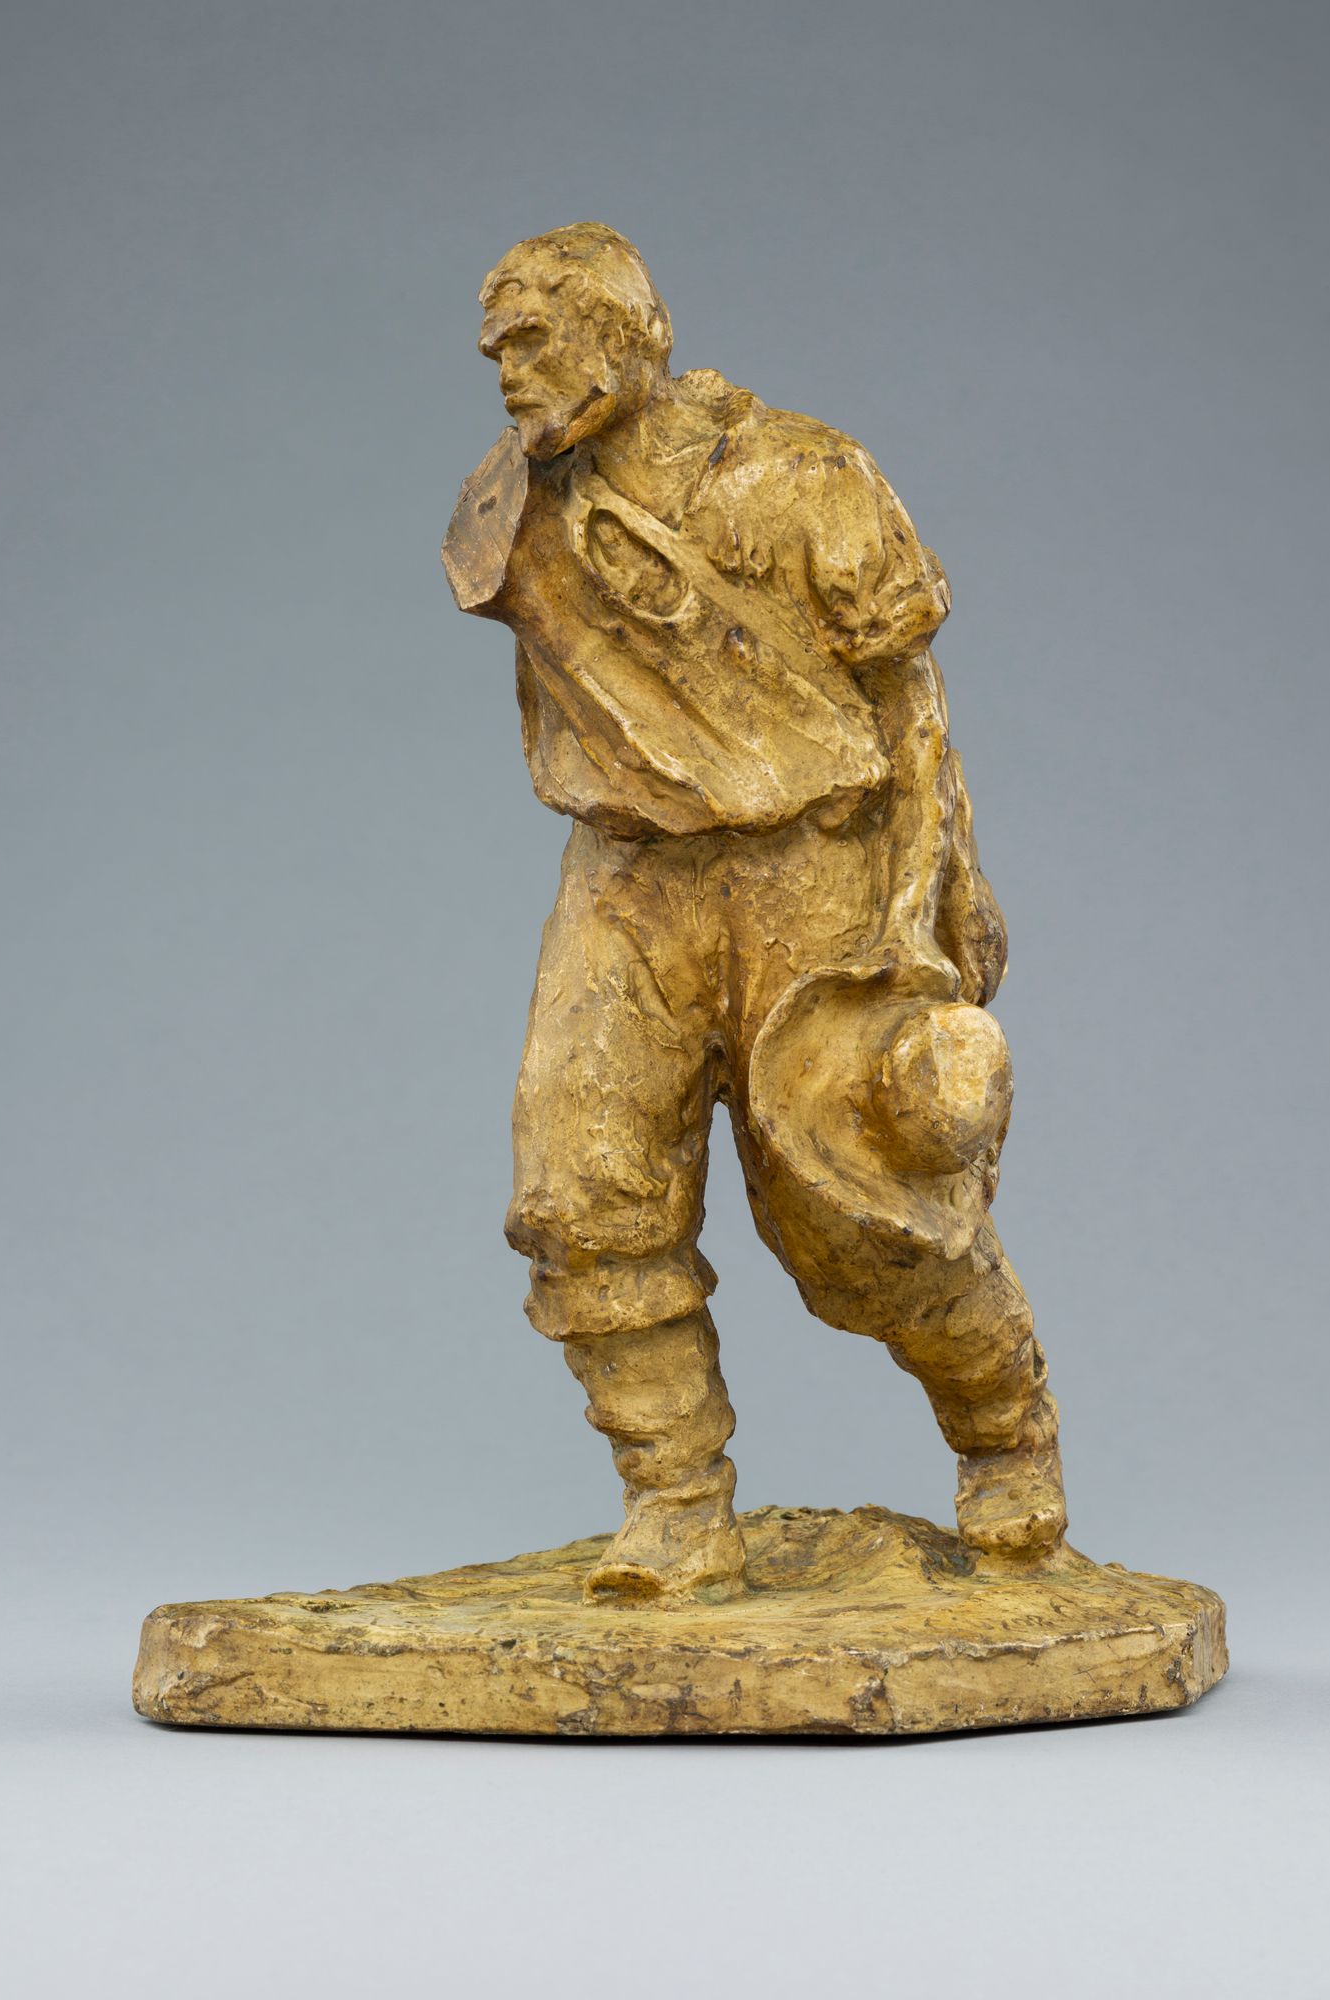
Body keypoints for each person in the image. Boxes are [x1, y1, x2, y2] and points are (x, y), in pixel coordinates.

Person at [443, 222, 1066, 1603]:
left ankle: (1005, 1433)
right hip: (626, 880)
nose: (507, 373)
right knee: (578, 1193)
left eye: (532, 341)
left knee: (863, 1212)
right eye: (494, 352)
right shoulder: (515, 504)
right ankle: (675, 1506)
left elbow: (908, 697)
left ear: (628, 330)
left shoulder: (801, 475)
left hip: (814, 868)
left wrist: (938, 888)